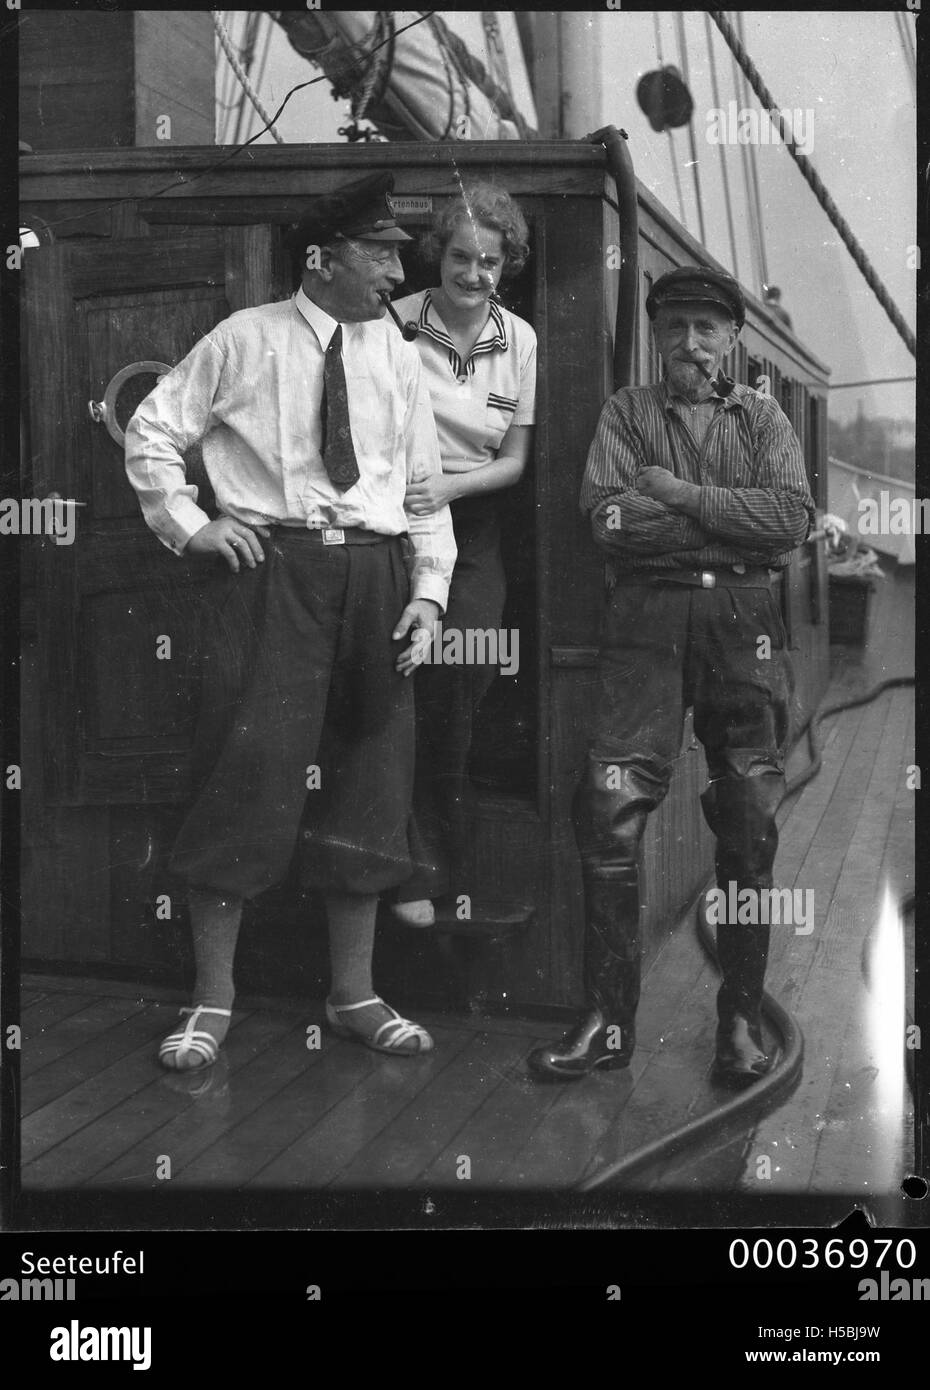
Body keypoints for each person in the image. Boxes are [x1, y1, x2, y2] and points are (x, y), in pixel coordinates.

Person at [124, 172, 456, 1069]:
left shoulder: (393, 349)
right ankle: (212, 1000)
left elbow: (420, 488)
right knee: (248, 770)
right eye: (380, 252)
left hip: (376, 578)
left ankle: (354, 995)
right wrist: (194, 527)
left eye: (399, 252)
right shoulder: (245, 339)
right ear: (322, 258)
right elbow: (151, 431)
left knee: (372, 779)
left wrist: (428, 591)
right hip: (275, 579)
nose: (397, 270)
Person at [528, 266, 815, 1087]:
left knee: (750, 816)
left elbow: (789, 520)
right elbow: (610, 521)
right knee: (611, 808)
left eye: (707, 329)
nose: (691, 343)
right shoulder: (626, 413)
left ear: (732, 340)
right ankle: (609, 1023)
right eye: (676, 327)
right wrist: (726, 523)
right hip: (645, 625)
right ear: (655, 335)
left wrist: (679, 495)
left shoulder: (763, 418)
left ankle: (739, 1023)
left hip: (742, 630)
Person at [387, 182, 536, 927]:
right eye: (459, 257)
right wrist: (416, 490)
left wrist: (449, 487)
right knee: (394, 684)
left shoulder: (522, 340)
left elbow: (515, 460)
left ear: (507, 266)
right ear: (435, 255)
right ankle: (406, 869)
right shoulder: (395, 320)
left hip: (474, 521)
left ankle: (444, 865)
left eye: (489, 262)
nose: (473, 274)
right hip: (393, 514)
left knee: (460, 676)